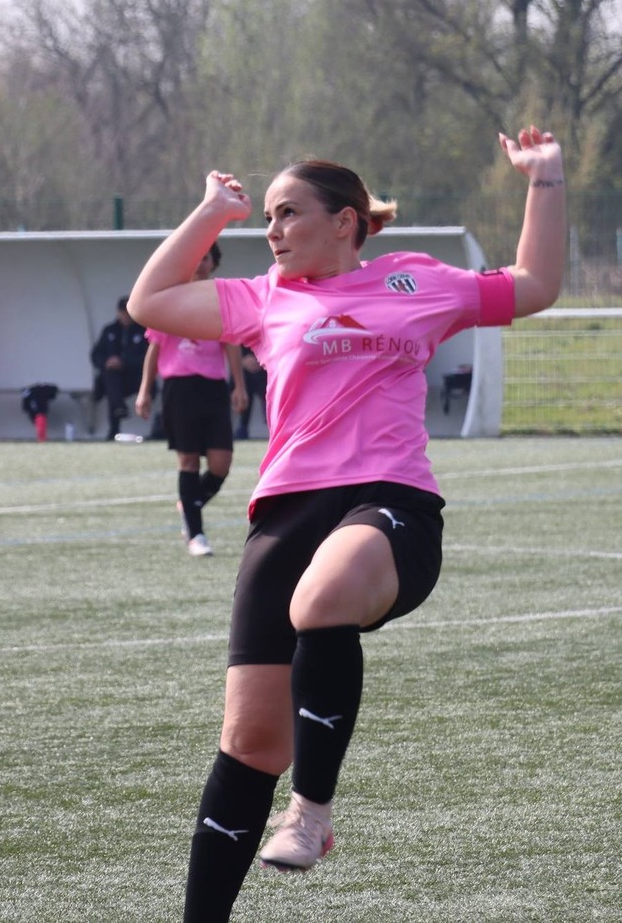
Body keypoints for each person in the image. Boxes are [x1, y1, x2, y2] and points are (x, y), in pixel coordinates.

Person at [127, 125, 565, 921]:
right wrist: (211, 212)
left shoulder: (415, 281)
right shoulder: (263, 298)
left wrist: (545, 177)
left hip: (389, 503)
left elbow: (535, 284)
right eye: (267, 216)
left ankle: (312, 813)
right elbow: (148, 302)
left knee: (322, 599)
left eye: (288, 213)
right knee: (250, 745)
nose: (273, 229)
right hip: (284, 515)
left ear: (345, 222)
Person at [134, 242, 248, 558]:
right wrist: (145, 390)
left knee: (221, 464)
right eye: (195, 257)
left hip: (213, 388)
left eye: (206, 257)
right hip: (179, 388)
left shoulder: (221, 297)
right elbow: (155, 346)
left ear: (214, 262)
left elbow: (231, 344)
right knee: (188, 461)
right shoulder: (170, 296)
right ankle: (196, 535)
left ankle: (188, 505)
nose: (200, 263)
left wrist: (239, 386)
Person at [90, 295, 151, 440]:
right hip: (112, 379)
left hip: (135, 377)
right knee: (110, 377)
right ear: (118, 312)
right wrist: (106, 362)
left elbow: (147, 357)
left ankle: (119, 409)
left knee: (112, 383)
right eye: (123, 312)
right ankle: (117, 416)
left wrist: (124, 362)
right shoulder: (109, 330)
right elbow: (96, 354)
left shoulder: (143, 331)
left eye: (128, 312)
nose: (125, 315)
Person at [232, 346, 266, 440]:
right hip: (244, 371)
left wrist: (262, 360)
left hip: (266, 368)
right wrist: (242, 361)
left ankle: (274, 423)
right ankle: (242, 427)